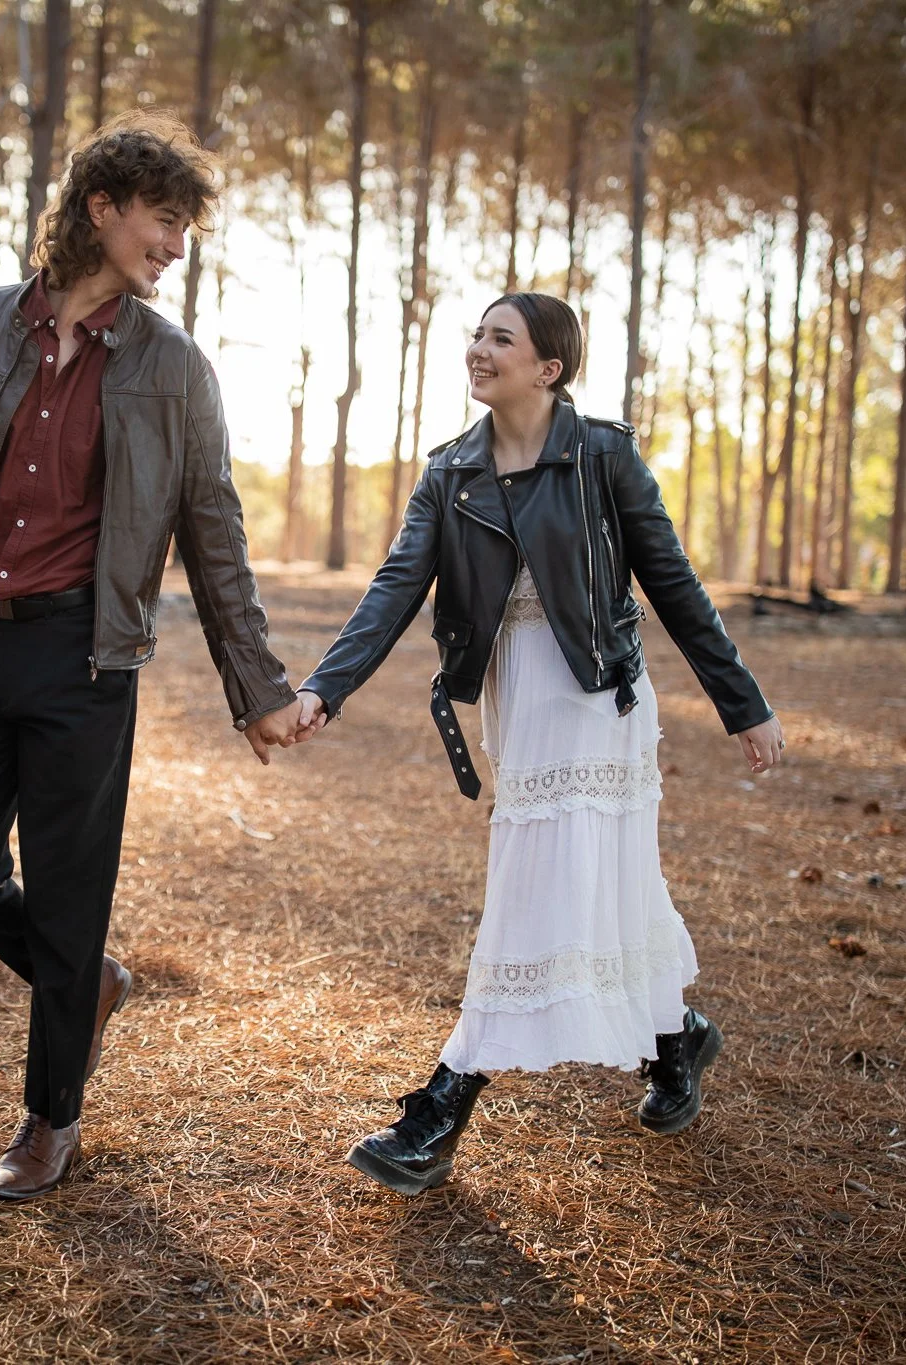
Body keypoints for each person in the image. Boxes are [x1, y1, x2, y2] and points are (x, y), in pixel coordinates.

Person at [0, 111, 303, 1201]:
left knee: (65, 891)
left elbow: (214, 534)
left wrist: (259, 690)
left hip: (84, 663)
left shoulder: (171, 366)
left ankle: (49, 1122)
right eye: (164, 218)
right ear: (102, 210)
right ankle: (84, 983)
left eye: (185, 227)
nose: (177, 245)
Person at [294, 292, 784, 1196]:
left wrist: (741, 702)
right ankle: (675, 1039)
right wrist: (326, 687)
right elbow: (395, 587)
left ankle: (441, 1109)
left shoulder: (602, 453)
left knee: (536, 889)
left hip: (598, 701)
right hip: (519, 704)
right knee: (601, 882)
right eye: (477, 333)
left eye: (499, 338)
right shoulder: (451, 472)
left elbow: (672, 580)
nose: (477, 348)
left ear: (548, 368)